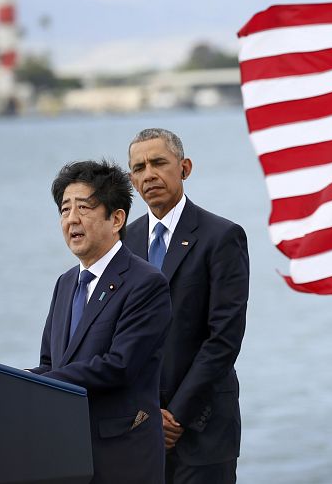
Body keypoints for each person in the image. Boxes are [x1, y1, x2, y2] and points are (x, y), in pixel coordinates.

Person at [30, 159, 172, 484]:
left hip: (122, 455)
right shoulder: (65, 283)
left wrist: (41, 381)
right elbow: (51, 362)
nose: (72, 220)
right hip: (66, 454)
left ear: (116, 218)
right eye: (65, 210)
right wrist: (17, 378)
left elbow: (119, 365)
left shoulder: (146, 282)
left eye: (84, 208)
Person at [125, 128, 249, 484]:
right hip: (141, 428)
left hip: (204, 428)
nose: (149, 174)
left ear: (185, 168)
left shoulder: (222, 236)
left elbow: (224, 338)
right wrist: (147, 414)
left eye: (159, 162)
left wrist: (176, 416)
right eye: (139, 168)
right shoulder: (124, 242)